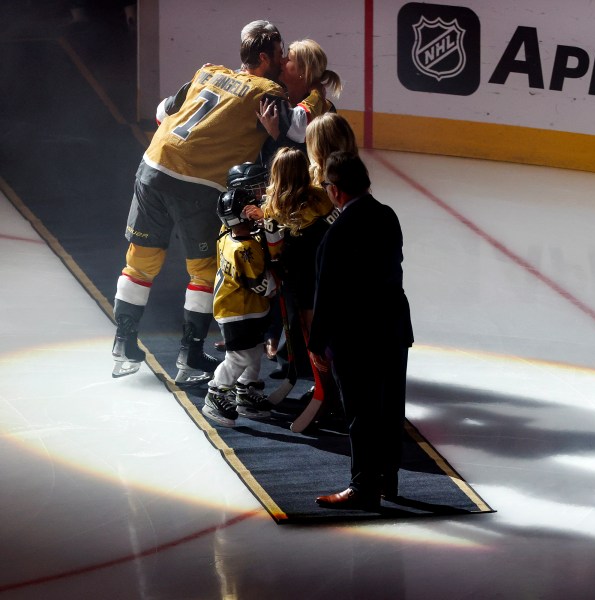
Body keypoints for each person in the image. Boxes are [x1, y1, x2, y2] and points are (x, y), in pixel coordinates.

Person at [111, 20, 320, 383]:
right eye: (279, 53)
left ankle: (123, 344)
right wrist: (318, 92)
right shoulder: (266, 90)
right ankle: (190, 357)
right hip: (197, 180)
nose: (284, 58)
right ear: (263, 56)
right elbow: (297, 128)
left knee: (140, 260)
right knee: (204, 272)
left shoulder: (207, 72)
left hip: (152, 165)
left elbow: (163, 112)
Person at [309, 152, 414, 509]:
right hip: (394, 328)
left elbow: (326, 294)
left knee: (360, 413)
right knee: (388, 408)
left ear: (335, 191)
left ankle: (362, 487)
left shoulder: (337, 233)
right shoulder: (387, 216)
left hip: (356, 337)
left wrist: (316, 342)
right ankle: (387, 480)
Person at [257, 147, 338, 397]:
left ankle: (315, 375)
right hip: (321, 270)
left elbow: (274, 246)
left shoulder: (271, 206)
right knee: (317, 327)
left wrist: (275, 263)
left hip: (293, 274)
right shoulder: (320, 198)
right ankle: (325, 376)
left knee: (299, 324)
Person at [202, 187, 277, 427]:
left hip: (239, 308)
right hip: (238, 311)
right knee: (240, 356)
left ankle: (244, 390)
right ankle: (215, 392)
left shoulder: (225, 232)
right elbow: (262, 285)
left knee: (254, 350)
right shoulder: (245, 249)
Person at [257, 38, 341, 151]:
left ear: (304, 71)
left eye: (288, 59)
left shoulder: (326, 110)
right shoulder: (277, 97)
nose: (281, 61)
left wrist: (276, 134)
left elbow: (310, 156)